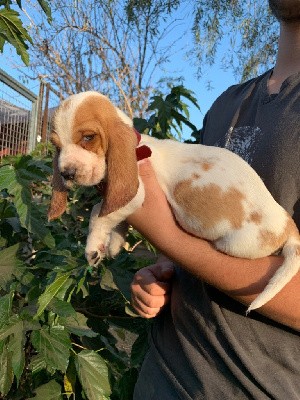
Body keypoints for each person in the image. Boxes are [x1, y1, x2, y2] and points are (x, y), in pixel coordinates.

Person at [127, 1, 300, 399]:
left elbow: (175, 235)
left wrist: (170, 239)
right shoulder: (227, 102)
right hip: (160, 375)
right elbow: (191, 224)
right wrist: (163, 270)